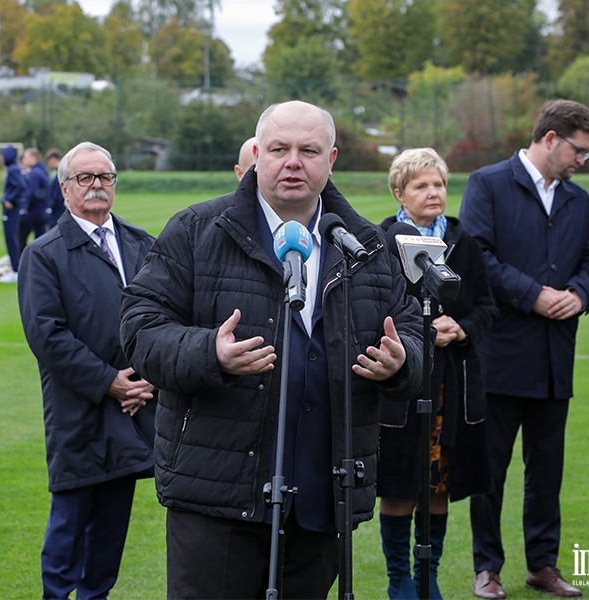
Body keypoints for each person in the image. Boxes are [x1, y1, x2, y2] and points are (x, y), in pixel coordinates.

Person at [121, 100, 424, 599]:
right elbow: (140, 330)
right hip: (218, 497)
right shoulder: (196, 230)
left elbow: (412, 336)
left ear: (332, 158)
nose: (293, 162)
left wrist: (402, 362)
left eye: (309, 150)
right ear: (257, 154)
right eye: (279, 149)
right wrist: (209, 353)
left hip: (325, 496)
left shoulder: (367, 245)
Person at [458, 99, 589, 599]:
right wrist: (532, 294)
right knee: (490, 473)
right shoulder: (488, 183)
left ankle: (543, 565)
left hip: (554, 361)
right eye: (579, 151)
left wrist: (580, 293)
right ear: (550, 139)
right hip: (500, 357)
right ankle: (487, 568)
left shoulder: (580, 200)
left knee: (547, 471)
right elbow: (476, 256)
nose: (583, 161)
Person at [18, 141, 157, 600]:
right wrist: (110, 382)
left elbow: (167, 314)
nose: (97, 185)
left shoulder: (142, 244)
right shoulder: (44, 254)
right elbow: (48, 337)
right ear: (64, 189)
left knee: (109, 539)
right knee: (67, 534)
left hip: (136, 409)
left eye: (106, 177)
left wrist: (147, 377)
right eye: (85, 178)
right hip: (79, 412)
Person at [377, 148, 498, 600]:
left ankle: (428, 573)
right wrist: (419, 329)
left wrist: (460, 327)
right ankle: (398, 578)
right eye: (421, 186)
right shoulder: (384, 240)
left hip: (453, 383)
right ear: (399, 193)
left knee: (439, 481)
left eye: (439, 184)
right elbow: (375, 309)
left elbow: (487, 307)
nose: (433, 193)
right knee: (399, 480)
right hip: (404, 385)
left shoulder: (465, 242)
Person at [0, 145, 28, 283]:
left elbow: (21, 185)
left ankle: (16, 270)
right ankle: (15, 267)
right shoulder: (14, 168)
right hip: (14, 208)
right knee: (12, 237)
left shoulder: (13, 169)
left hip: (12, 210)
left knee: (11, 238)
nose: (1, 157)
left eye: (3, 154)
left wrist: (10, 199)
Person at [19, 147, 51, 253]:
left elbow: (33, 193)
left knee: (19, 236)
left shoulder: (34, 173)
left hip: (35, 211)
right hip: (43, 211)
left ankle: (22, 262)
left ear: (34, 158)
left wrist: (26, 208)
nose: (24, 159)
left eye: (26, 157)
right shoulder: (44, 171)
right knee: (41, 240)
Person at [44, 148, 65, 229]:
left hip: (58, 209)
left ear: (52, 160)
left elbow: (57, 193)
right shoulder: (55, 172)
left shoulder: (61, 173)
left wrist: (51, 206)